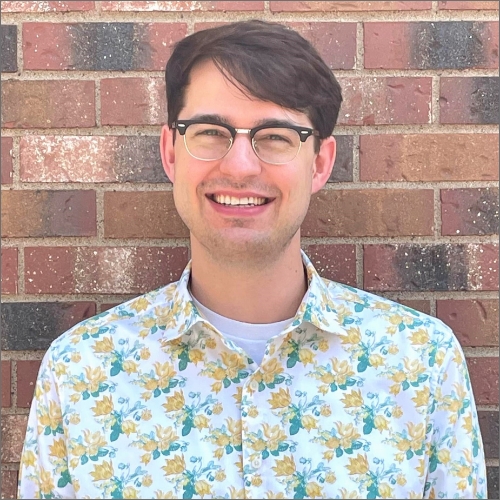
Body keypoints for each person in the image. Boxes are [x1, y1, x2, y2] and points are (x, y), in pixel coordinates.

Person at [18, 20, 486, 499]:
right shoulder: (80, 373)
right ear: (171, 152)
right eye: (210, 132)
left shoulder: (420, 365)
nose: (240, 165)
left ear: (320, 163)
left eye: (276, 136)